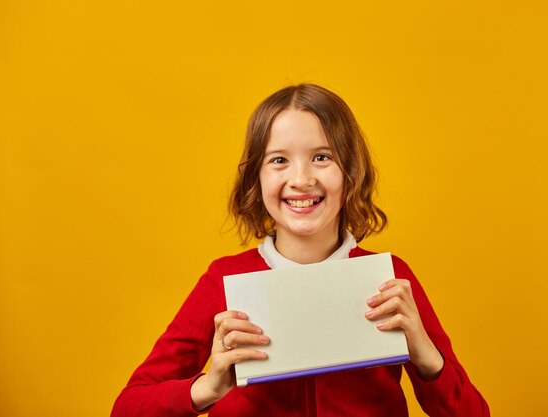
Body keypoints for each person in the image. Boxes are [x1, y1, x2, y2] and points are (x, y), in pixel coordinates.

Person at [111, 84, 490, 417]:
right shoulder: (224, 281)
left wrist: (426, 357)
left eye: (322, 157)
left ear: (350, 173)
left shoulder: (390, 278)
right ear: (255, 179)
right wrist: (207, 388)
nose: (302, 179)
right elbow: (127, 408)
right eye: (279, 160)